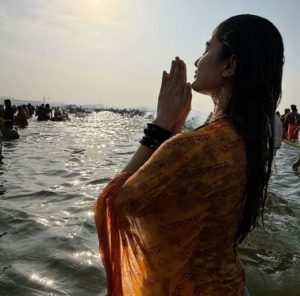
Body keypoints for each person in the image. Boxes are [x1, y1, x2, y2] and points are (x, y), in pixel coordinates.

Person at [94, 14, 284, 296]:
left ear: (230, 65)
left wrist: (159, 127)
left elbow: (115, 204)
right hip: (232, 284)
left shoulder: (198, 146)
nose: (197, 61)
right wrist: (175, 134)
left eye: (207, 48)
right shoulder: (250, 141)